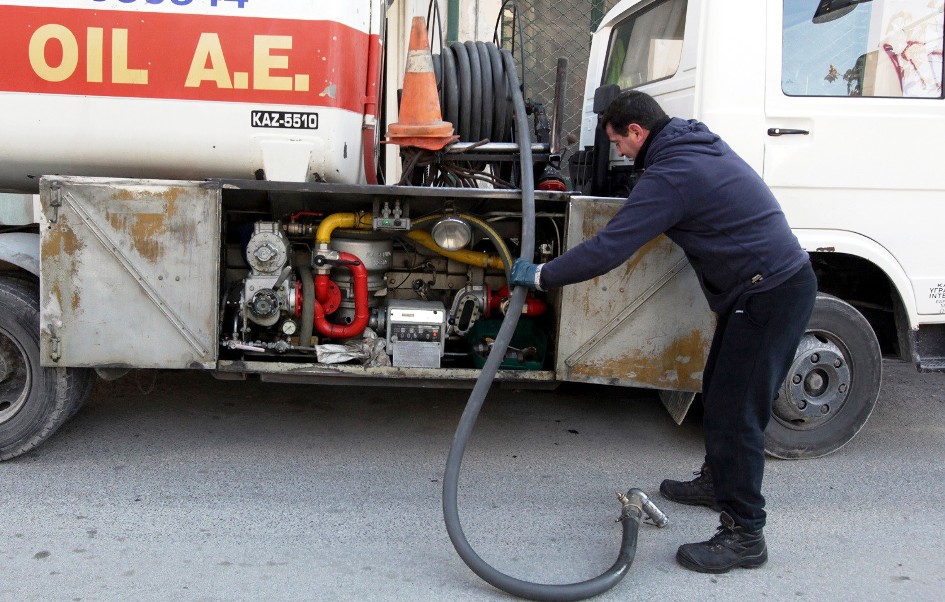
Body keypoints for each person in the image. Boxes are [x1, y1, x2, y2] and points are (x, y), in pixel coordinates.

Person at [509, 90, 817, 574]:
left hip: (770, 295)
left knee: (738, 414)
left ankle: (745, 534)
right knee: (718, 394)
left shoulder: (674, 173)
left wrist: (543, 275)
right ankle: (718, 482)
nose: (622, 155)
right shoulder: (691, 144)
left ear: (637, 131)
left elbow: (611, 248)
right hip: (759, 291)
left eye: (620, 144)